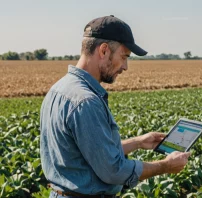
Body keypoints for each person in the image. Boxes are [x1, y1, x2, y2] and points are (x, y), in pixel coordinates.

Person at [40, 15, 191, 198]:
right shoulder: (86, 101)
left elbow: (91, 152)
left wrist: (138, 142)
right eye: (124, 56)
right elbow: (113, 171)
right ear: (103, 50)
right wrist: (165, 166)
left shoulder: (59, 89)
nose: (125, 66)